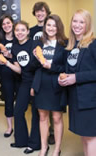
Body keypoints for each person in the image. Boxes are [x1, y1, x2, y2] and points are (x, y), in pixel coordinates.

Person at [58, 9, 96, 156]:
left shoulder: (93, 44)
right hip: (75, 99)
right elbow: (71, 69)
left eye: (82, 22)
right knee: (84, 136)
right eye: (75, 21)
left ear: (87, 25)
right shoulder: (71, 46)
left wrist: (76, 78)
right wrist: (64, 78)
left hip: (89, 99)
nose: (77, 25)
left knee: (91, 137)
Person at [0, 21, 41, 154]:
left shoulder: (35, 44)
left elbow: (40, 66)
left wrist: (35, 85)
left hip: (38, 81)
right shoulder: (15, 47)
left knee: (36, 113)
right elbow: (18, 69)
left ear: (28, 31)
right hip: (25, 81)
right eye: (17, 30)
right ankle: (21, 140)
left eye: (23, 30)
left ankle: (34, 144)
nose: (20, 33)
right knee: (18, 111)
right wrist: (6, 63)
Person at [32, 14, 67, 156]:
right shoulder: (39, 43)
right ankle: (44, 147)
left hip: (56, 85)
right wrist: (36, 59)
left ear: (58, 27)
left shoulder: (65, 44)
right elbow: (34, 67)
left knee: (57, 118)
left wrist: (50, 65)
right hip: (41, 84)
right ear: (44, 27)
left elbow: (65, 67)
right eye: (48, 25)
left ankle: (57, 149)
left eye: (54, 25)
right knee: (42, 117)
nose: (51, 28)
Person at [0, 14, 19, 137]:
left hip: (19, 74)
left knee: (20, 102)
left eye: (8, 23)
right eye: (3, 24)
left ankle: (20, 124)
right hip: (5, 74)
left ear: (12, 23)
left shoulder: (19, 37)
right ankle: (10, 127)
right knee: (8, 101)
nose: (6, 25)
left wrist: (9, 56)